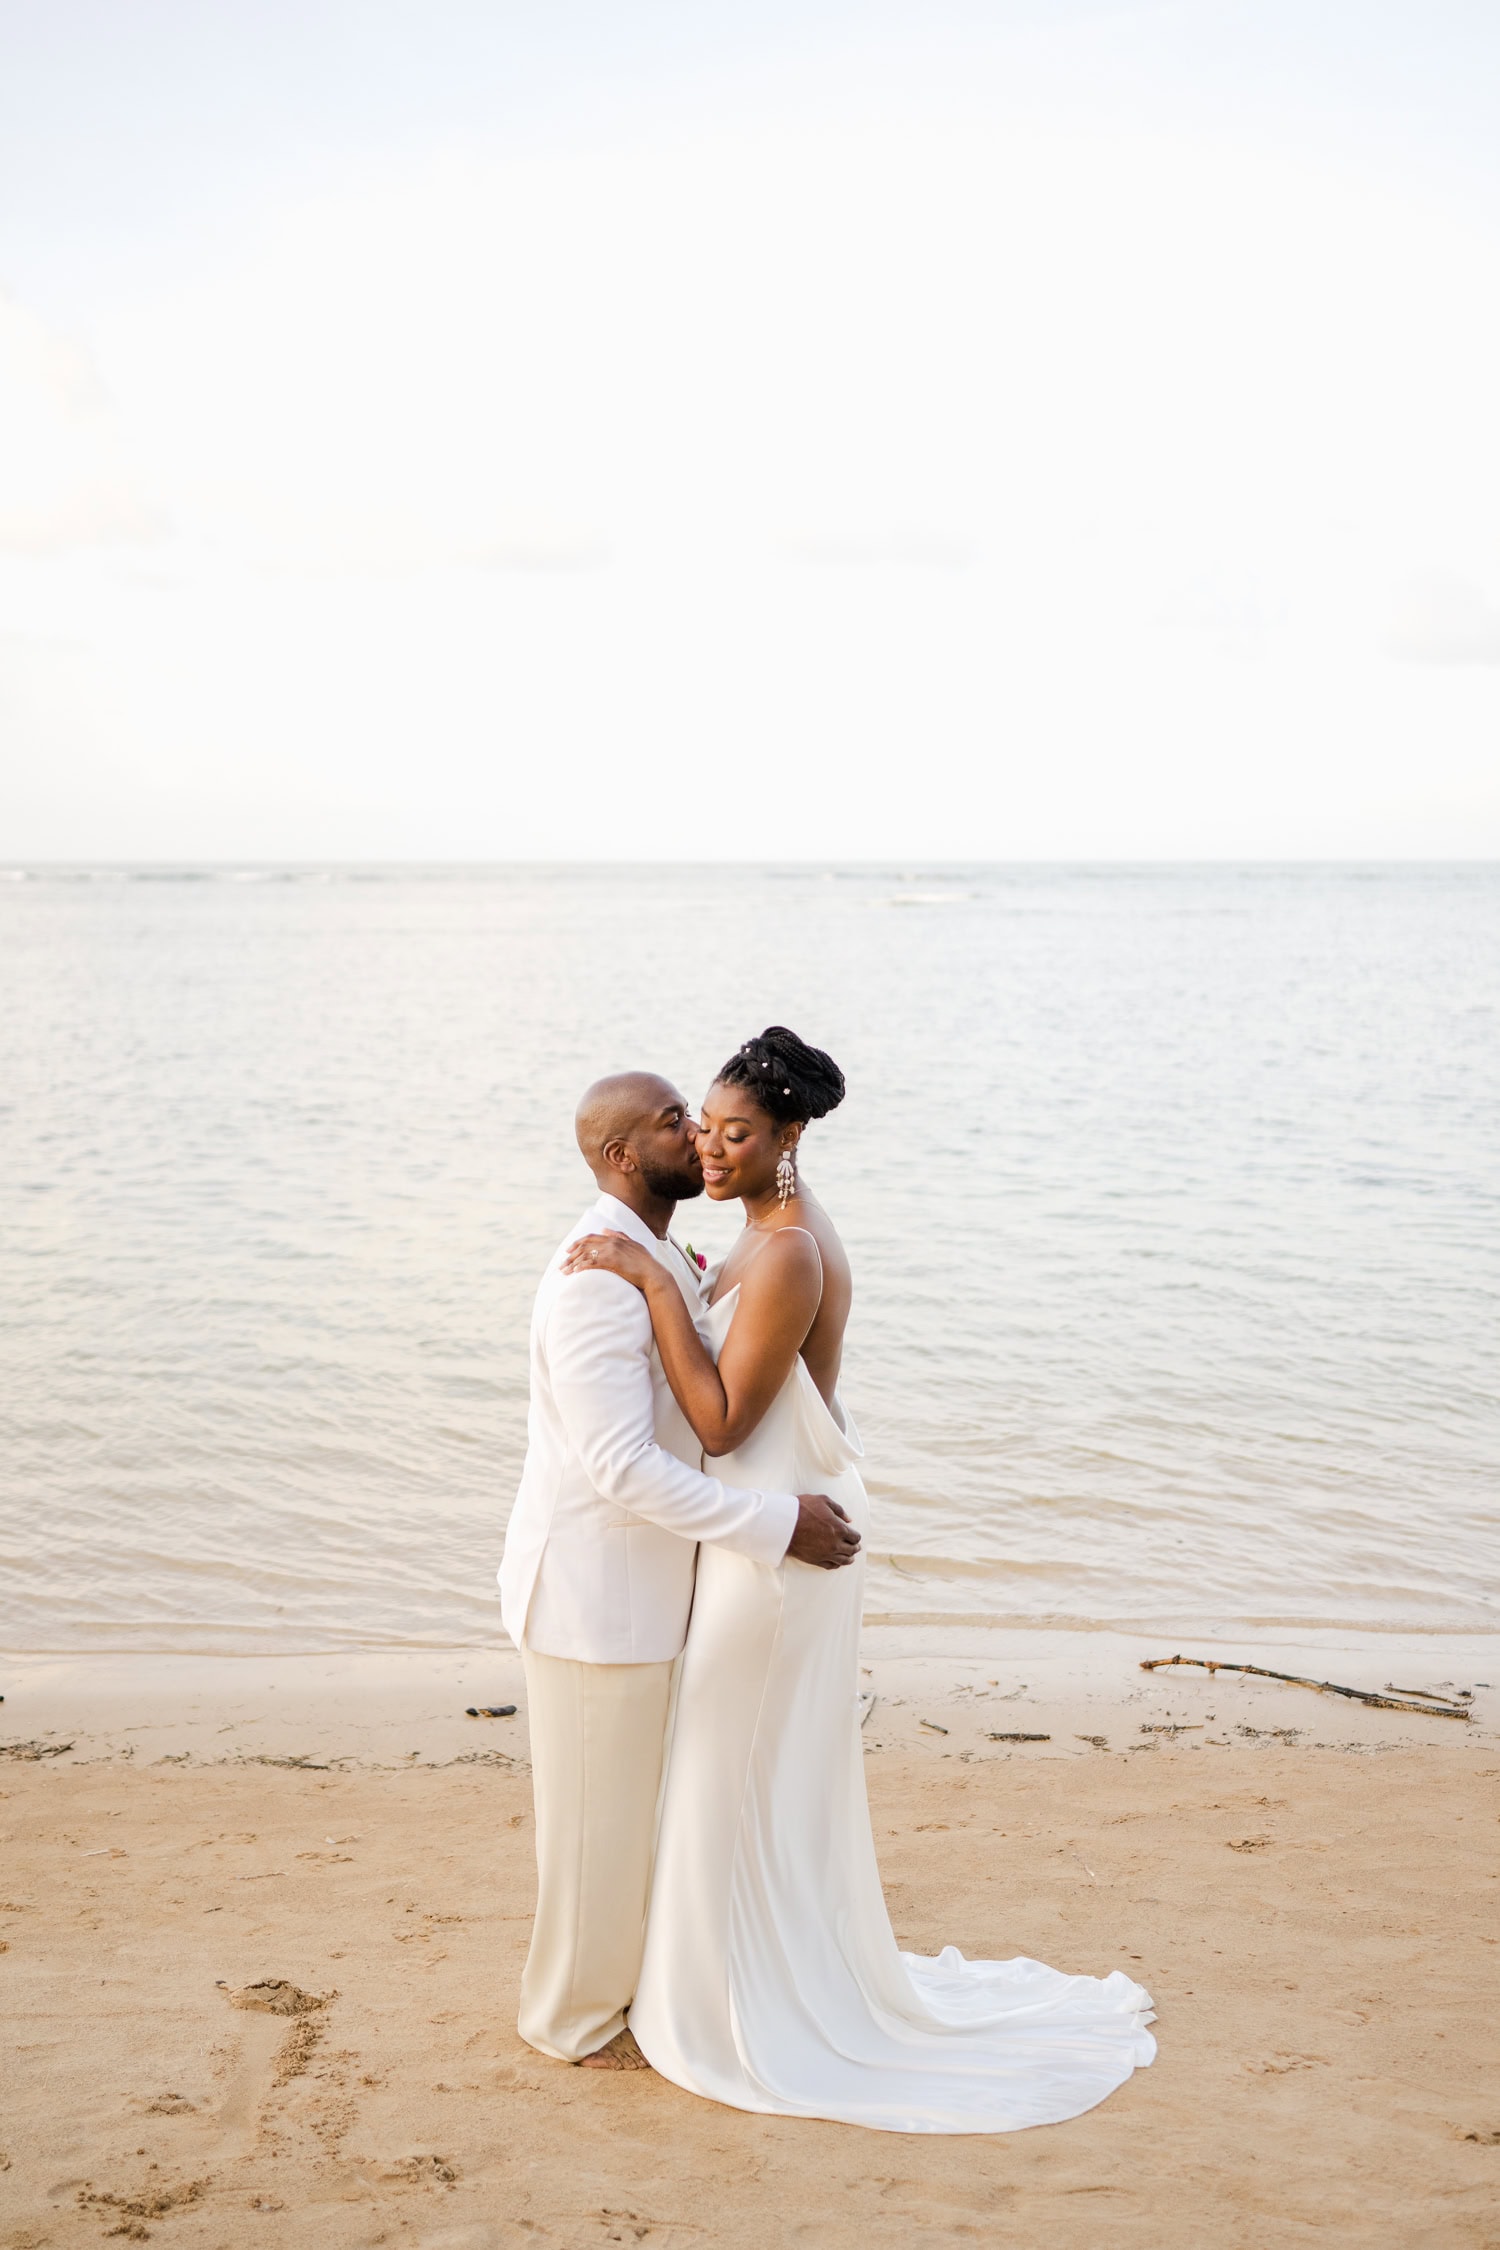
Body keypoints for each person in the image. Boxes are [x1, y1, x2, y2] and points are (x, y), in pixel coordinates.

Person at [561, 1026, 1156, 2131]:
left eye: (738, 1132)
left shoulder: (787, 1249)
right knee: (736, 1763)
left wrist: (646, 1275)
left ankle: (725, 2006)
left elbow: (726, 1424)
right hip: (767, 1523)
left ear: (788, 1139)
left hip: (785, 1531)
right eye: (702, 1124)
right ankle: (726, 1979)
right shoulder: (754, 1237)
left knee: (722, 1761)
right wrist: (672, 1277)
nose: (712, 1145)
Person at [498, 1069, 860, 2072]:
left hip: (650, 1593)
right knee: (590, 1832)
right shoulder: (592, 1282)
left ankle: (620, 1993)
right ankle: (568, 2020)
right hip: (593, 1599)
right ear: (624, 1156)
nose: (696, 1133)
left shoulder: (658, 1254)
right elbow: (619, 1467)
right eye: (674, 1121)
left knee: (623, 1822)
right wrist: (772, 1519)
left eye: (705, 1119)